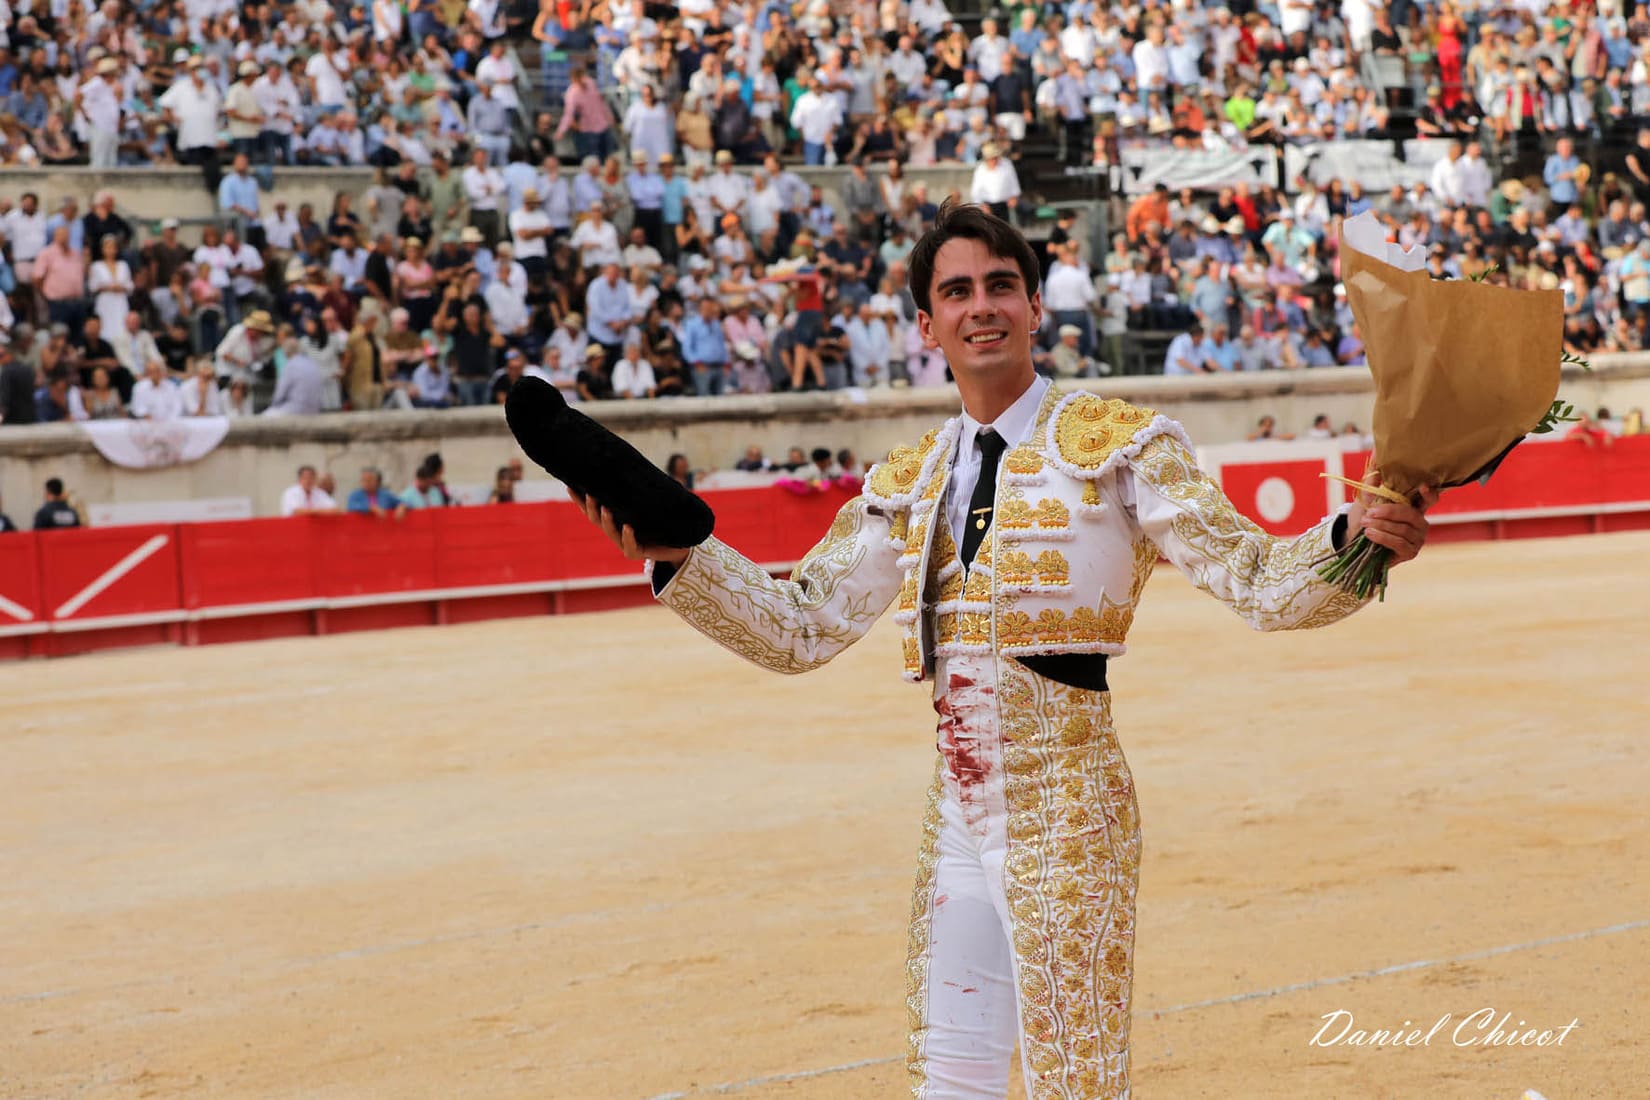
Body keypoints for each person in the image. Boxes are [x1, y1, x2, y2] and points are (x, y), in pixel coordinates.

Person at [566, 201, 1437, 1100]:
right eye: (957, 291)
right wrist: (682, 557)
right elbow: (800, 627)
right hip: (956, 813)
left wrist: (1356, 538)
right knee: (951, 1081)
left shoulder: (1117, 444)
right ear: (925, 324)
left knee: (1076, 1082)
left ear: (1032, 308)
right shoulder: (908, 482)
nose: (981, 306)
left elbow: (1256, 579)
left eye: (1000, 287)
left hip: (1071, 809)